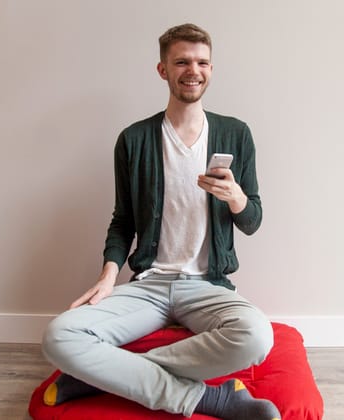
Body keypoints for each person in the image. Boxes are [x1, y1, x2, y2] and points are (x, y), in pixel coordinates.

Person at [41, 23, 280, 420]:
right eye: (182, 61)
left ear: (211, 68)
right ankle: (212, 399)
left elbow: (252, 221)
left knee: (256, 336)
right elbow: (123, 222)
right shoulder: (134, 139)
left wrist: (238, 198)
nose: (193, 70)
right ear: (163, 70)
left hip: (208, 285)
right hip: (149, 286)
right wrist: (107, 275)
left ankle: (98, 376)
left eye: (202, 62)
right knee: (58, 336)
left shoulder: (236, 133)